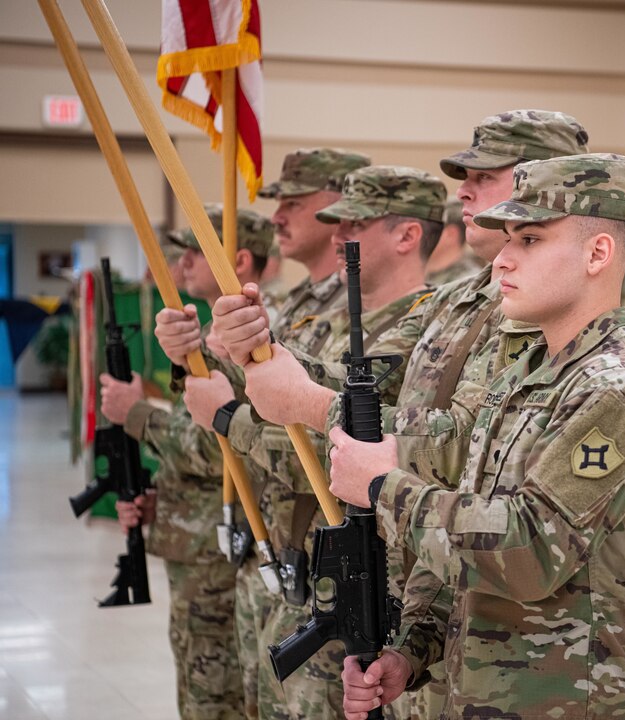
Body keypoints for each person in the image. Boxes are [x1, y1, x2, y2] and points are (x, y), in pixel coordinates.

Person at [209, 109, 593, 717]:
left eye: (484, 176)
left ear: (537, 187)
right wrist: (259, 349)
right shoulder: (455, 301)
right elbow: (363, 386)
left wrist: (303, 403)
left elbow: (483, 448)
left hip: (523, 638)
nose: (463, 191)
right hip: (426, 602)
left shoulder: (553, 316)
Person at [316, 153, 625, 719]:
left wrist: (382, 487)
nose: (503, 260)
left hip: (581, 700)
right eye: (508, 239)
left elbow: (528, 552)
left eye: (531, 240)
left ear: (598, 253)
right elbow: (473, 523)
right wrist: (412, 652)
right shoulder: (524, 374)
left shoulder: (619, 389)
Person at [155, 149, 369, 720]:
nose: (279, 215)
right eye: (276, 201)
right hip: (272, 552)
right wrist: (193, 360)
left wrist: (224, 418)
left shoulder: (374, 314)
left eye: (295, 202)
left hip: (325, 563)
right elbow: (234, 422)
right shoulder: (296, 305)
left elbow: (329, 438)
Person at [99, 205, 273, 720]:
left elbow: (226, 447)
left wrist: (139, 417)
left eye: (196, 250)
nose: (182, 264)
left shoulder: (258, 346)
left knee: (219, 700)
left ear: (237, 258)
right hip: (193, 538)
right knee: (200, 693)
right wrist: (160, 501)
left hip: (221, 552)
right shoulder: (206, 343)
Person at [425, 199, 482, 285]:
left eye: (429, 227)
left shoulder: (469, 283)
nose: (421, 234)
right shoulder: (418, 274)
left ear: (450, 235)